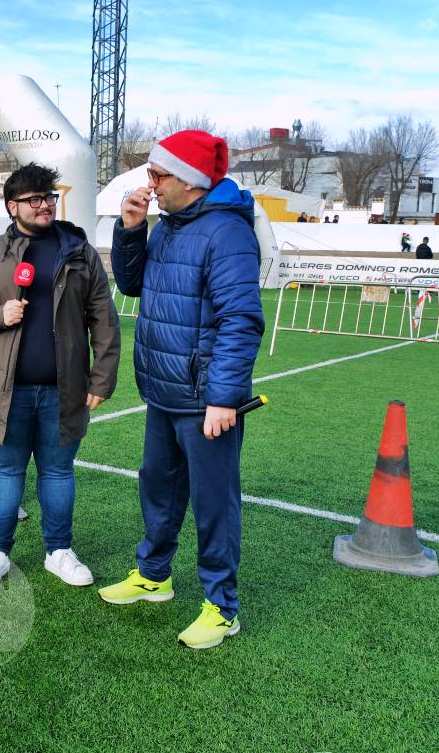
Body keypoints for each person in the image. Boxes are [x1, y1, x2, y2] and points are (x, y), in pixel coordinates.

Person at [102, 130, 264, 650]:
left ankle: (222, 607)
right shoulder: (169, 226)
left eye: (158, 175)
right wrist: (130, 231)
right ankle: (154, 575)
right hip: (164, 389)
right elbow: (133, 285)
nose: (151, 184)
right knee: (158, 487)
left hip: (205, 398)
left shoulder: (226, 232)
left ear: (191, 181)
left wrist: (223, 397)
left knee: (214, 502)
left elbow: (241, 318)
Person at [0, 162, 121, 590]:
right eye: (34, 199)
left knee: (59, 473)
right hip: (2, 391)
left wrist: (102, 378)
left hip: (65, 389)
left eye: (48, 197)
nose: (45, 205)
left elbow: (104, 318)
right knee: (5, 474)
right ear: (12, 207)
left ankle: (58, 551)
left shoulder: (78, 252)